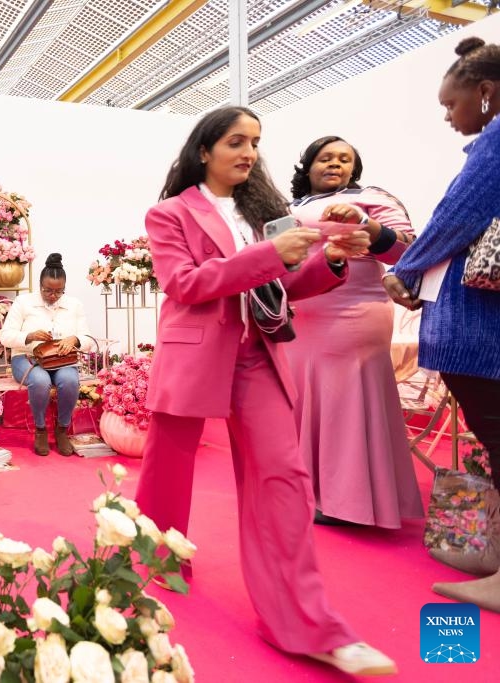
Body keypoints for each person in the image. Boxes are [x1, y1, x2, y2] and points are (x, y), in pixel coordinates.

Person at [134, 105, 397, 676]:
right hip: (194, 355)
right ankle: (154, 561)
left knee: (284, 477)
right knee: (168, 469)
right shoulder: (169, 213)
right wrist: (269, 255)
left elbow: (283, 286)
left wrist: (327, 260)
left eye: (255, 142)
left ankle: (304, 623)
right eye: (236, 141)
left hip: (257, 355)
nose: (249, 153)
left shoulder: (266, 214)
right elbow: (184, 284)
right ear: (204, 150)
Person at [383, 36, 500, 613]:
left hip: (480, 327)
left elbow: (458, 216)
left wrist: (404, 270)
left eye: (451, 104)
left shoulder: (497, 140)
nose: (448, 116)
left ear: (486, 92)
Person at [285, 136, 423, 527]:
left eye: (344, 159)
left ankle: (348, 500)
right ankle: (306, 490)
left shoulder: (371, 198)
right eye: (326, 158)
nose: (335, 164)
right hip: (301, 315)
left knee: (343, 399)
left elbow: (410, 250)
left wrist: (367, 225)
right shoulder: (289, 207)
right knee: (304, 398)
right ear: (308, 166)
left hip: (353, 312)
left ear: (354, 169)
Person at [0, 253, 93, 457]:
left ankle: (62, 430)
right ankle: (40, 430)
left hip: (60, 359)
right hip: (26, 358)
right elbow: (5, 336)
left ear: (64, 287)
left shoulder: (74, 305)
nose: (53, 295)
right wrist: (29, 336)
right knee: (40, 381)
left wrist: (75, 339)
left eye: (58, 291)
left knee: (69, 381)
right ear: (40, 285)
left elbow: (87, 339)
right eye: (47, 290)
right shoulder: (23, 302)